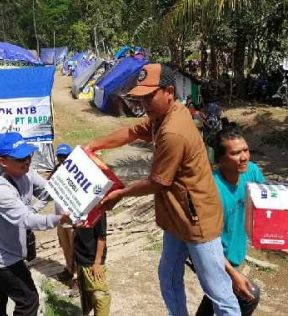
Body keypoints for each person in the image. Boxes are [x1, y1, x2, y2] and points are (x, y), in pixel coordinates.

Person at [85, 63, 240, 315]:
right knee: (168, 278)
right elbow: (131, 132)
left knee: (218, 292)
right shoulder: (161, 117)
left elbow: (158, 182)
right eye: (141, 97)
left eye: (149, 96)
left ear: (169, 91)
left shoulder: (173, 131)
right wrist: (93, 144)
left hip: (196, 219)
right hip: (175, 216)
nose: (144, 103)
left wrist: (119, 195)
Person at [0, 132, 71, 316]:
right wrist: (59, 219)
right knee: (28, 301)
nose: (27, 161)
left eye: (29, 155)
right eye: (20, 158)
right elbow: (26, 220)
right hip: (0, 256)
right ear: (3, 161)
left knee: (1, 289)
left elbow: (49, 190)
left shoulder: (26, 173)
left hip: (9, 249)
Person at [195, 122, 263, 316]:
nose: (243, 158)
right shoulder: (212, 190)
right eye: (235, 153)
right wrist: (233, 274)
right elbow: (206, 242)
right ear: (220, 161)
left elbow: (265, 205)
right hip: (212, 255)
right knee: (248, 295)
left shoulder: (251, 171)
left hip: (234, 254)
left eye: (245, 150)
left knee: (214, 299)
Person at [75, 212, 110, 316]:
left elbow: (101, 237)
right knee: (86, 296)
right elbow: (75, 233)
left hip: (92, 260)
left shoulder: (98, 210)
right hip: (80, 257)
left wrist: (97, 263)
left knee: (100, 296)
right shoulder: (77, 209)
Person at [50, 144, 76, 283]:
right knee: (65, 247)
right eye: (60, 156)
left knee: (75, 248)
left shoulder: (76, 175)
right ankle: (69, 270)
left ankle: (78, 278)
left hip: (73, 219)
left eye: (65, 156)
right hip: (61, 218)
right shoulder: (56, 172)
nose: (62, 159)